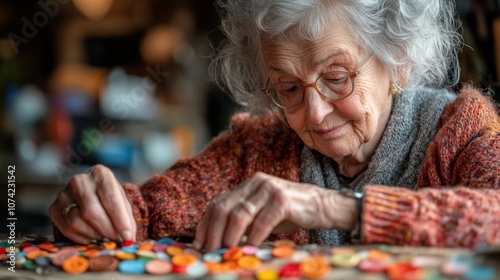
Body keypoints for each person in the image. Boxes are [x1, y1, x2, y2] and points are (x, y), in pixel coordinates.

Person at [49, 0, 500, 251]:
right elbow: (148, 212)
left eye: (337, 78)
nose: (315, 114)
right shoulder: (260, 149)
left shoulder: (461, 130)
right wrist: (94, 210)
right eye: (288, 89)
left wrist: (335, 208)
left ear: (397, 60)